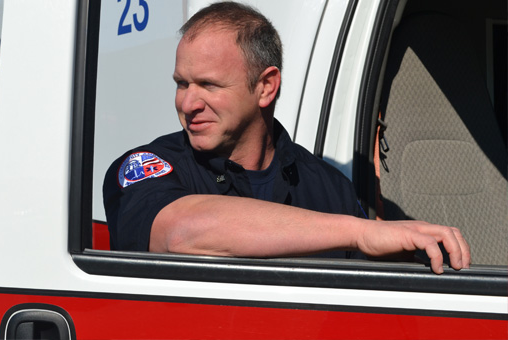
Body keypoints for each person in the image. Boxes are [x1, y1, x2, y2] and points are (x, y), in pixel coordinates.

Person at [103, 1, 470, 274]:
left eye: (208, 85)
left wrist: (413, 252)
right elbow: (180, 234)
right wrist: (359, 233)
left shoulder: (329, 187)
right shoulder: (150, 166)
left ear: (266, 87)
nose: (187, 102)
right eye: (182, 83)